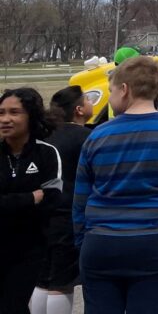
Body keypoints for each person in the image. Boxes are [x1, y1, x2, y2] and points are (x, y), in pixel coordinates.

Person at [74, 56, 158, 314]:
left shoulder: (97, 135)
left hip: (101, 244)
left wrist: (82, 240)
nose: (110, 98)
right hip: (157, 243)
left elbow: (80, 199)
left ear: (124, 90)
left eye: (111, 91)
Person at [30, 86, 93, 314]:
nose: (91, 102)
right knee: (61, 282)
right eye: (88, 99)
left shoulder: (46, 134)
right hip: (66, 214)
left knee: (43, 278)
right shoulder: (85, 136)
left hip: (42, 213)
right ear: (79, 109)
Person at [0, 88, 62, 314]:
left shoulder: (46, 154)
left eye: (14, 112)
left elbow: (52, 201)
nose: (6, 119)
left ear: (31, 116)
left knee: (13, 306)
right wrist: (29, 198)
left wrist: (7, 203)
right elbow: (36, 201)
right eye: (1, 113)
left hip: (29, 249)